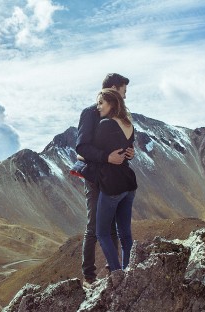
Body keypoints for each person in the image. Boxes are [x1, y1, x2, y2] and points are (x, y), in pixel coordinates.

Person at [72, 73, 134, 286]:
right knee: (94, 227)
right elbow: (81, 148)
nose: (125, 97)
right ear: (114, 90)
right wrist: (106, 157)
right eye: (123, 92)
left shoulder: (119, 118)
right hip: (94, 176)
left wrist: (129, 152)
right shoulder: (91, 113)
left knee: (113, 226)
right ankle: (89, 275)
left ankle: (113, 269)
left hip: (112, 177)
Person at [94, 88, 137, 272]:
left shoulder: (105, 125)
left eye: (100, 103)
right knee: (125, 234)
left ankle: (117, 273)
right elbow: (127, 151)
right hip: (129, 184)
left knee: (102, 232)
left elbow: (89, 153)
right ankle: (128, 272)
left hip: (112, 185)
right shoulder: (129, 125)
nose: (98, 107)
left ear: (111, 104)